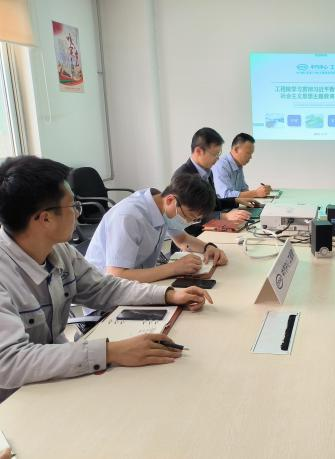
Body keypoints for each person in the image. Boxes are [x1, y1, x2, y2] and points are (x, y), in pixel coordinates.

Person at [0, 157, 212, 403]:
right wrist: (111, 351)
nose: (78, 213)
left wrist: (168, 295)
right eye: (74, 206)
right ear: (45, 219)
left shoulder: (59, 250)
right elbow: (9, 363)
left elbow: (104, 288)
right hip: (14, 401)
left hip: (55, 377)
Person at [85, 173, 227, 283]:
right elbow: (117, 276)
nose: (189, 222)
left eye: (195, 219)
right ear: (171, 200)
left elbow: (182, 240)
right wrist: (173, 268)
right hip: (105, 295)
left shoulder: (160, 204)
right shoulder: (129, 217)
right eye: (189, 216)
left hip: (137, 283)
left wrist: (208, 247)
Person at [172, 127, 254, 223]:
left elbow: (214, 204)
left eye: (219, 154)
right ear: (198, 151)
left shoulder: (208, 172)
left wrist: (235, 200)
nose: (217, 159)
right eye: (215, 154)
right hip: (192, 229)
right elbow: (190, 216)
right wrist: (224, 216)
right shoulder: (182, 177)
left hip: (210, 225)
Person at [212, 133, 272, 199]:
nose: (250, 157)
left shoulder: (238, 165)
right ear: (236, 149)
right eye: (248, 153)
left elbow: (243, 190)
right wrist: (256, 193)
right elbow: (225, 196)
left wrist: (261, 192)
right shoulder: (221, 166)